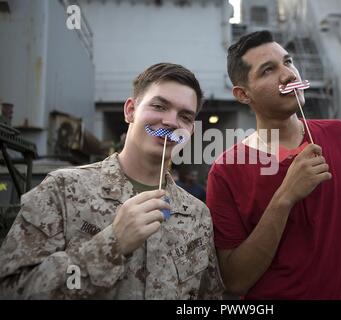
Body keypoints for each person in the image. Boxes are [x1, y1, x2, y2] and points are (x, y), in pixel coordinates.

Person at [0, 63, 223, 299]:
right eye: (159, 106)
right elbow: (11, 291)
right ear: (130, 111)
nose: (171, 122)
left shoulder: (198, 215)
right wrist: (112, 244)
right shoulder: (62, 190)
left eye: (185, 116)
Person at [206, 31, 341, 299]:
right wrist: (285, 197)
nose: (289, 75)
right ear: (243, 94)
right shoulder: (226, 170)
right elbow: (235, 281)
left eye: (288, 61)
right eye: (268, 70)